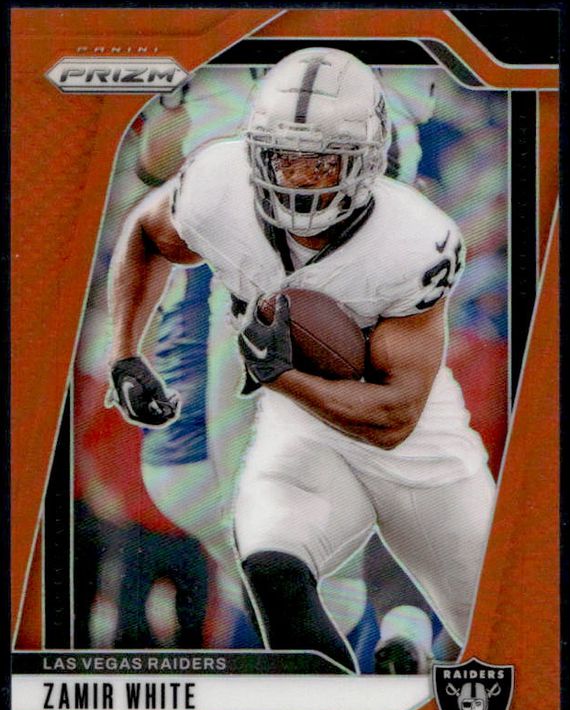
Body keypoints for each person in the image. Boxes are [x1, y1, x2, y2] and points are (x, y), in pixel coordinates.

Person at [107, 48, 495, 677]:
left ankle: (366, 656)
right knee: (186, 485)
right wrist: (124, 352)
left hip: (336, 277)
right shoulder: (221, 180)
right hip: (230, 244)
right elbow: (155, 198)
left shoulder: (406, 233)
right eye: (288, 160)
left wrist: (285, 375)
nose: (301, 178)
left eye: (319, 164)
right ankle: (375, 634)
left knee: (277, 511)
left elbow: (394, 413)